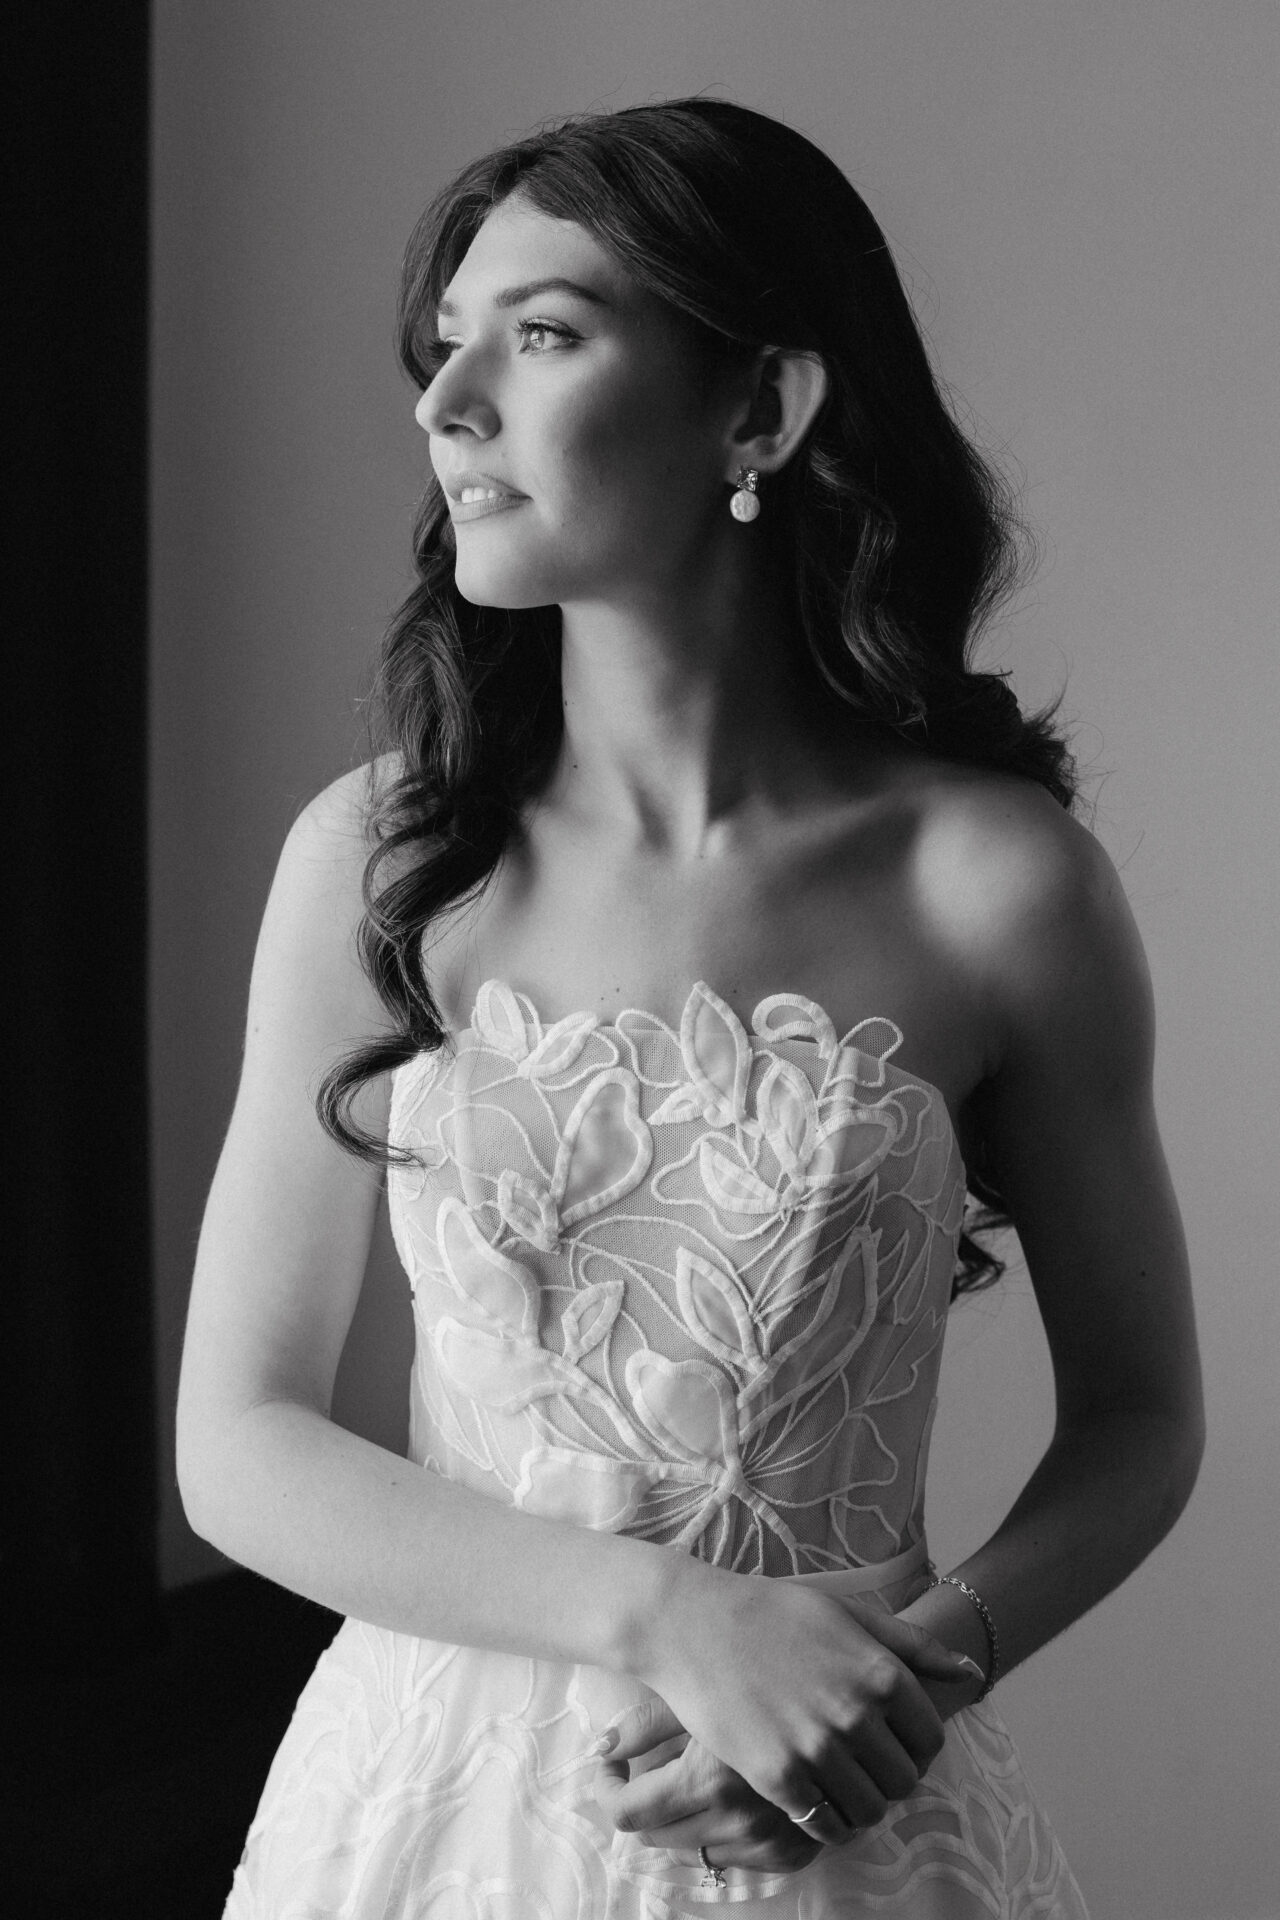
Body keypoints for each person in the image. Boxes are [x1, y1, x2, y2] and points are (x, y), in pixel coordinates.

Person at [177, 98, 1204, 1916]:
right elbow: (237, 1446)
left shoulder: (998, 885)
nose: (445, 404)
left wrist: (915, 1679)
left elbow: (1138, 1421)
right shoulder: (378, 861)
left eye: (541, 334)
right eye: (447, 344)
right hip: (429, 1824)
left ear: (762, 412)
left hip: (846, 1825)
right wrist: (674, 1617)